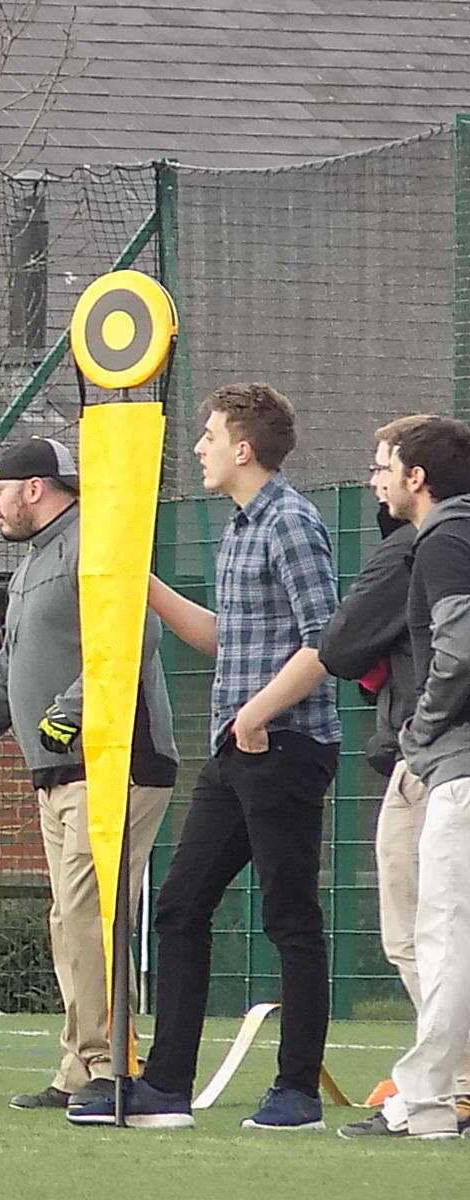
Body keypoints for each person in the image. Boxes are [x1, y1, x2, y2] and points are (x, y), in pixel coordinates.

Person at [72, 382, 341, 1131]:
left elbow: (325, 641)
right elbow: (230, 639)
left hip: (284, 746)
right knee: (181, 906)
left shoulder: (291, 523)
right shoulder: (239, 529)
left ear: (244, 449)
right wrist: (142, 584)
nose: (199, 449)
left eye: (211, 436)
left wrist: (257, 715)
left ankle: (297, 1092)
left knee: (289, 917)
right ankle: (165, 1086)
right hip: (234, 748)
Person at [0, 436, 177, 1119]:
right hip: (60, 771)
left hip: (115, 761)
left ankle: (110, 1067)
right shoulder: (36, 562)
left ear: (34, 487)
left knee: (91, 917)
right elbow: (11, 666)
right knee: (70, 919)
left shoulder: (96, 541)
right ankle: (79, 1065)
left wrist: (73, 709)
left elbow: (135, 634)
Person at [317, 415, 470, 1114]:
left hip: (445, 761)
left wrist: (422, 726)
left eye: (383, 466)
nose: (375, 480)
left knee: (435, 935)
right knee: (429, 935)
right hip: (435, 758)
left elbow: (452, 651)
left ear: (417, 476)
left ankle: (441, 1094)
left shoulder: (439, 538)